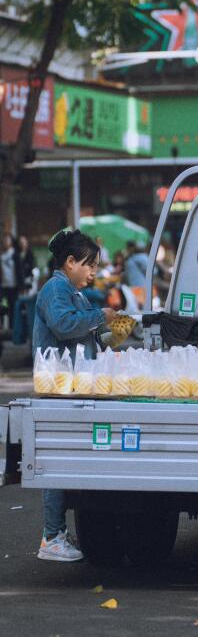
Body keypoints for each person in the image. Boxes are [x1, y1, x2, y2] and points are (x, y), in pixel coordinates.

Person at [33, 228, 117, 561]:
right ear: (70, 262)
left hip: (72, 386)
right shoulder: (56, 289)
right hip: (58, 388)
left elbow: (84, 333)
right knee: (56, 463)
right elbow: (64, 325)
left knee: (69, 459)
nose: (93, 272)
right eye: (89, 265)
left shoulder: (73, 291)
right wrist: (99, 317)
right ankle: (51, 536)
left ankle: (57, 534)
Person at [0, 233, 24, 330]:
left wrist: (22, 286)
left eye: (7, 240)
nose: (5, 242)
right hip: (2, 286)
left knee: (13, 308)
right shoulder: (1, 254)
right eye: (4, 240)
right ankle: (1, 328)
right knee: (2, 307)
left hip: (13, 286)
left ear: (11, 242)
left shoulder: (15, 254)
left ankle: (13, 329)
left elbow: (20, 271)